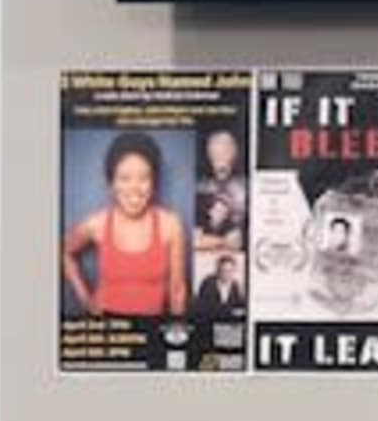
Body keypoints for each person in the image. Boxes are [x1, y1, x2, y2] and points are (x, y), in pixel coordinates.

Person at [60, 129, 183, 317]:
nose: (134, 188)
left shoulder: (170, 224)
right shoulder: (97, 224)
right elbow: (63, 250)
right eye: (124, 178)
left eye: (144, 178)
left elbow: (177, 291)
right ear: (111, 183)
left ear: (154, 182)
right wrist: (85, 298)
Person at [191, 126, 247, 270]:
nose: (220, 159)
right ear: (209, 156)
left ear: (234, 155)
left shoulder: (247, 189)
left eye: (225, 152)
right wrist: (222, 242)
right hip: (206, 260)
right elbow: (194, 239)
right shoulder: (199, 189)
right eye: (215, 153)